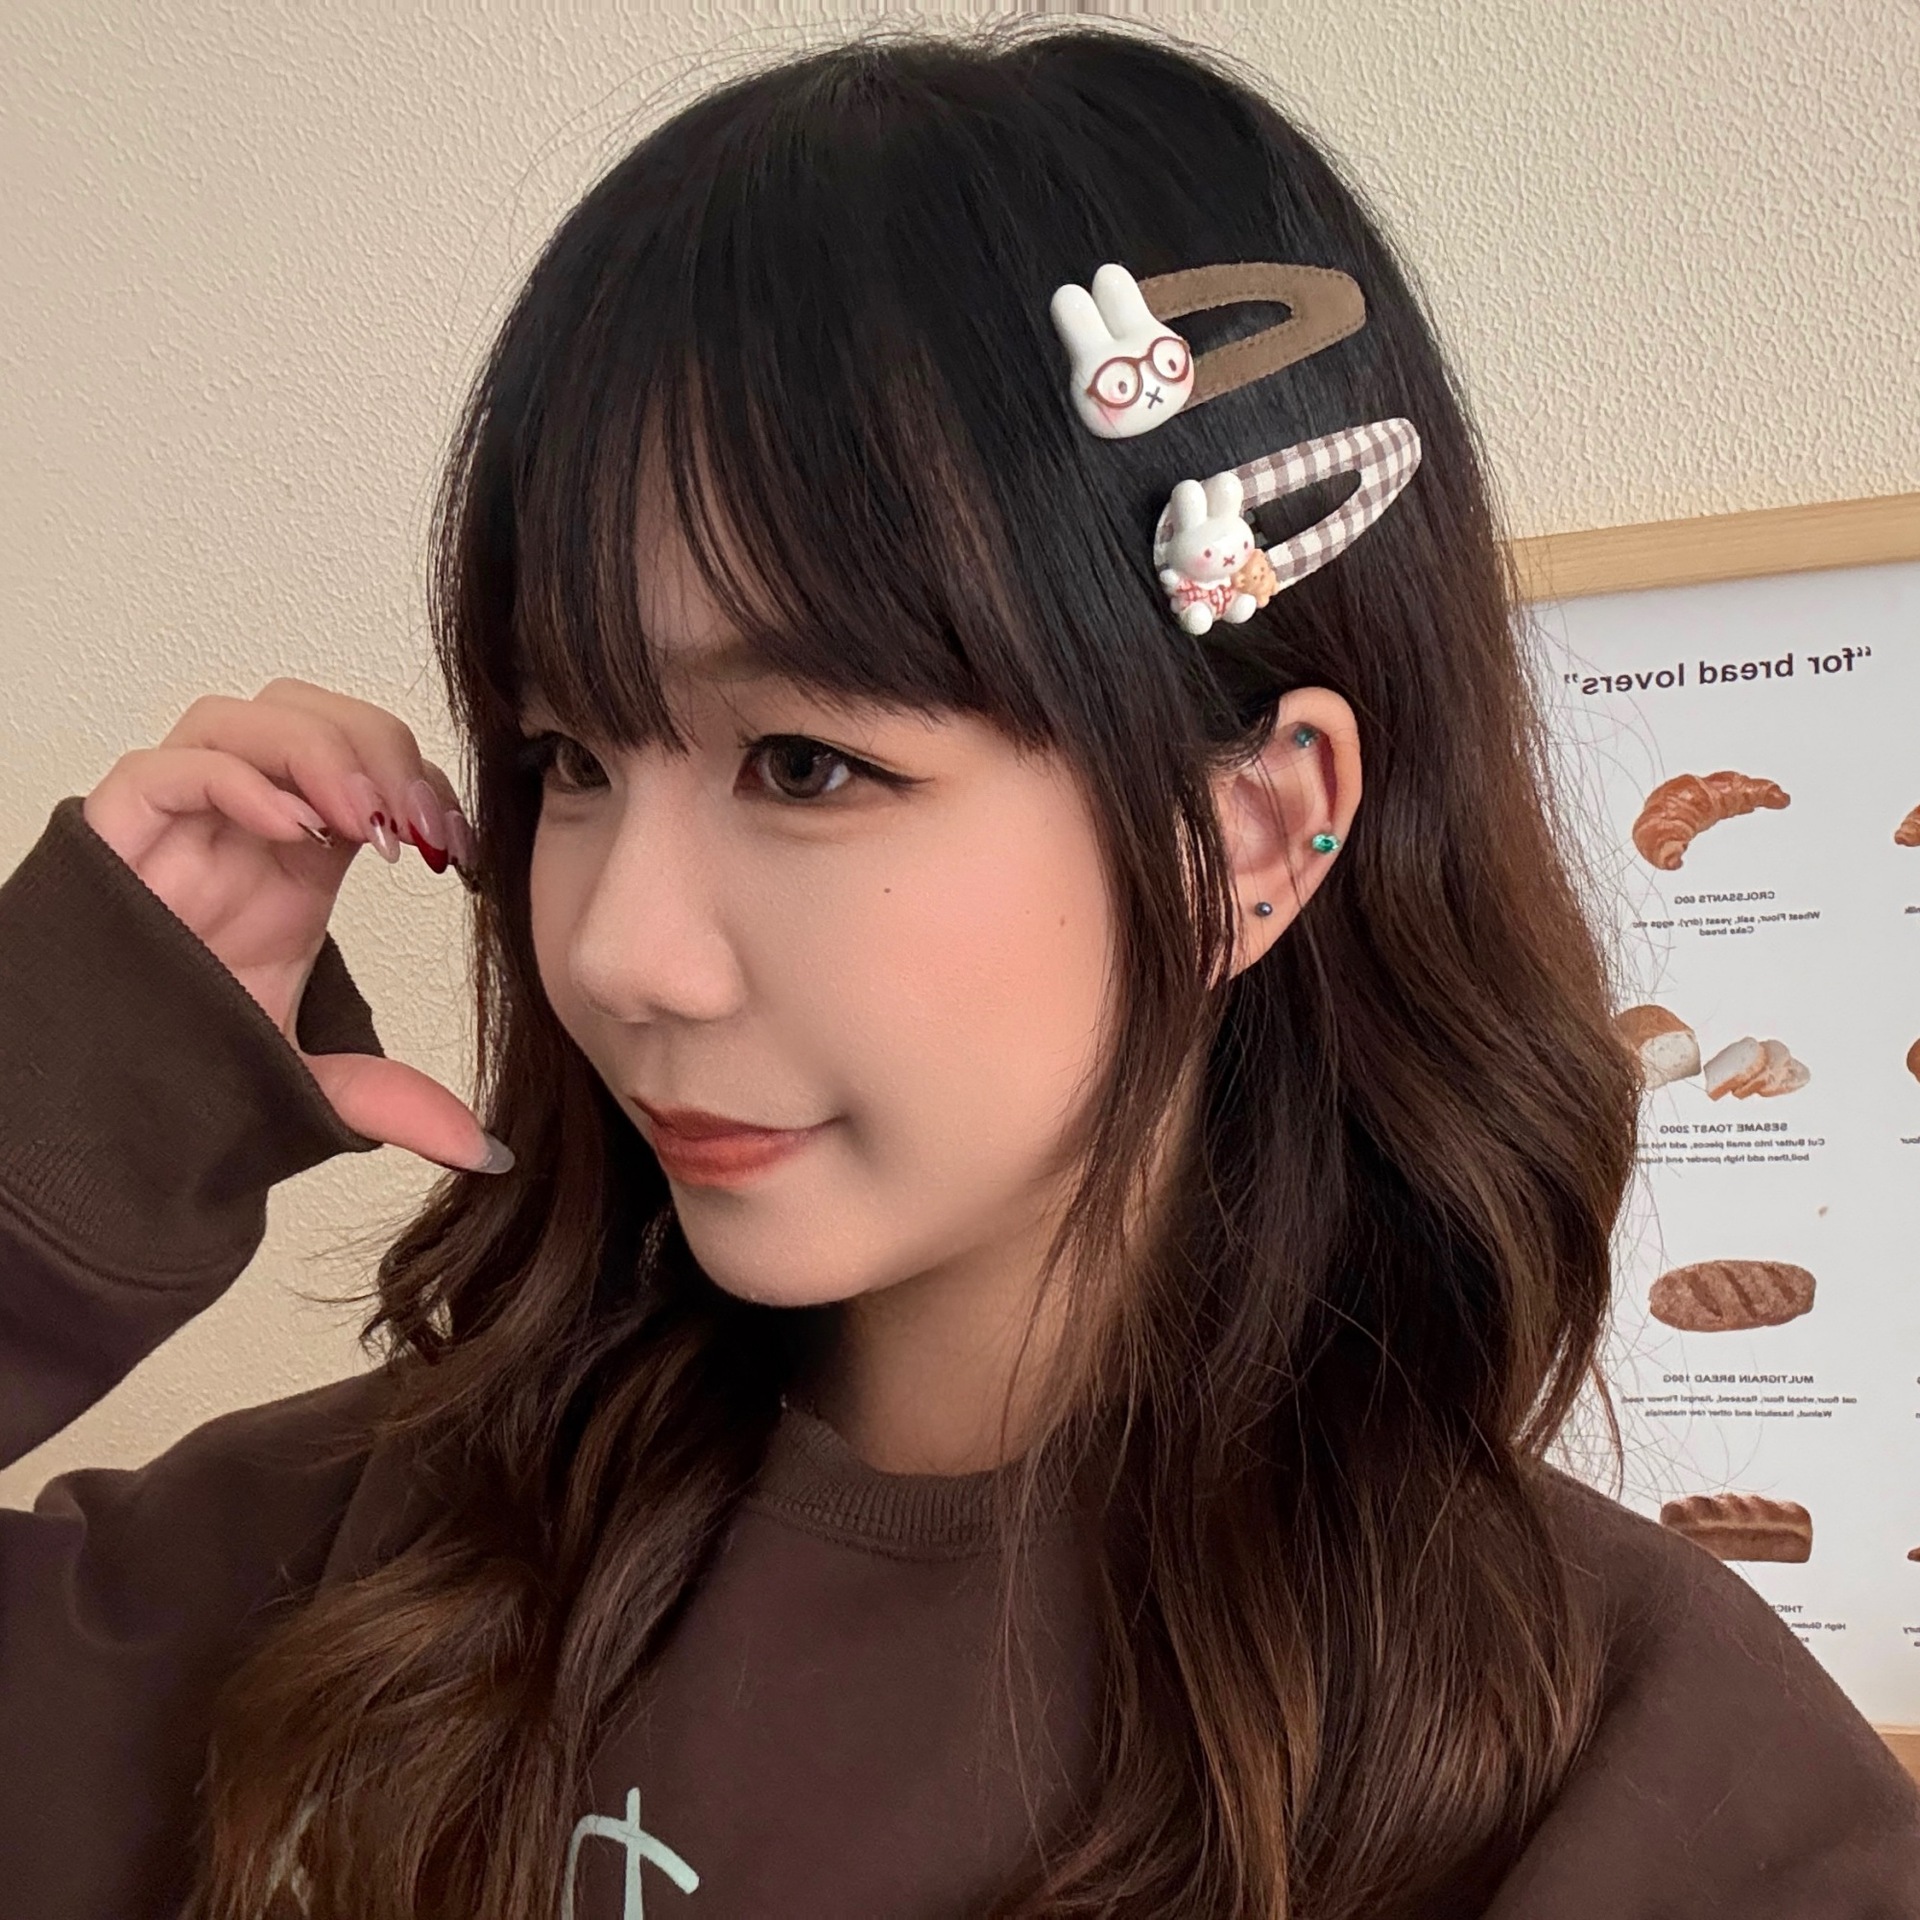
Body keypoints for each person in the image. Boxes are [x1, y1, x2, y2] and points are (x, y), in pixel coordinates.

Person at [0, 24, 1914, 1920]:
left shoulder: (1633, 1785)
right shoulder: (348, 1570)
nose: (609, 951)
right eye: (569, 757)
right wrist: (70, 1113)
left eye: (806, 765)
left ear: (1256, 834)